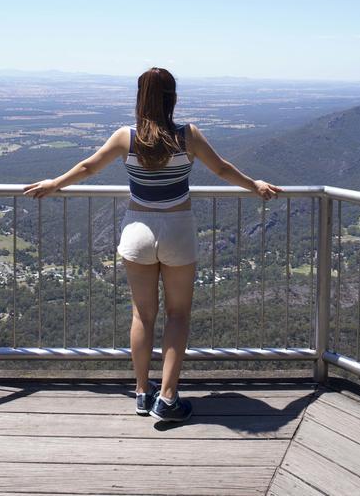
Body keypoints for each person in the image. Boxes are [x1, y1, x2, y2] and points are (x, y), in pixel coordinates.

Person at [23, 67, 279, 422]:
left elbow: (88, 167)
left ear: (139, 97)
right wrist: (256, 185)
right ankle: (168, 397)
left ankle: (142, 392)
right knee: (178, 315)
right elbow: (221, 169)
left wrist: (55, 184)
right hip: (177, 230)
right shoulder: (187, 136)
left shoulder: (125, 138)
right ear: (173, 97)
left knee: (142, 315)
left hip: (137, 231)